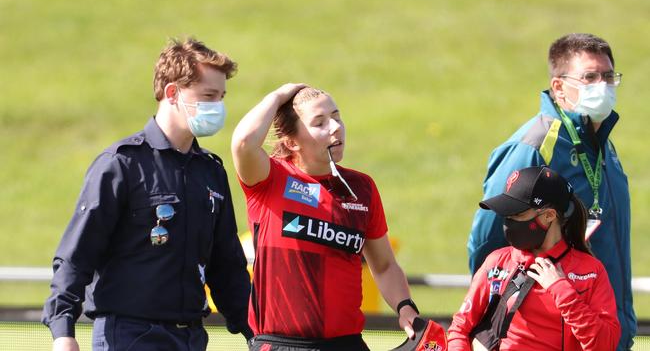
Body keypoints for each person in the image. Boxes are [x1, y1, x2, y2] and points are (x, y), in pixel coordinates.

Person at [42, 38, 253, 351]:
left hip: (192, 337)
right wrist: (63, 330)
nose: (217, 107)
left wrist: (257, 333)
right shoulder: (121, 164)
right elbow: (78, 254)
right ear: (172, 93)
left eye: (221, 97)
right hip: (129, 335)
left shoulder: (211, 172)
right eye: (208, 96)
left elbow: (227, 266)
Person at [466, 33, 635, 350]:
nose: (603, 85)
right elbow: (488, 241)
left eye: (609, 76)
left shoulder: (604, 147)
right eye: (590, 77)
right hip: (547, 335)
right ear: (558, 86)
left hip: (605, 331)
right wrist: (494, 318)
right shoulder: (532, 144)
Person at [231, 84, 419, 350]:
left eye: (336, 116)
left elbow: (385, 265)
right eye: (319, 122)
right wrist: (278, 96)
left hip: (346, 345)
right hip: (281, 345)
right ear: (292, 141)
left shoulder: (361, 188)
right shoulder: (269, 178)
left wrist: (404, 306)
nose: (335, 127)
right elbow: (243, 142)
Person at [449, 166, 620, 350]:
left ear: (549, 216)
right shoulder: (497, 262)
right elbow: (459, 329)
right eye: (508, 215)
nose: (509, 223)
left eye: (518, 214)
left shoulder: (590, 271)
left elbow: (605, 345)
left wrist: (561, 290)